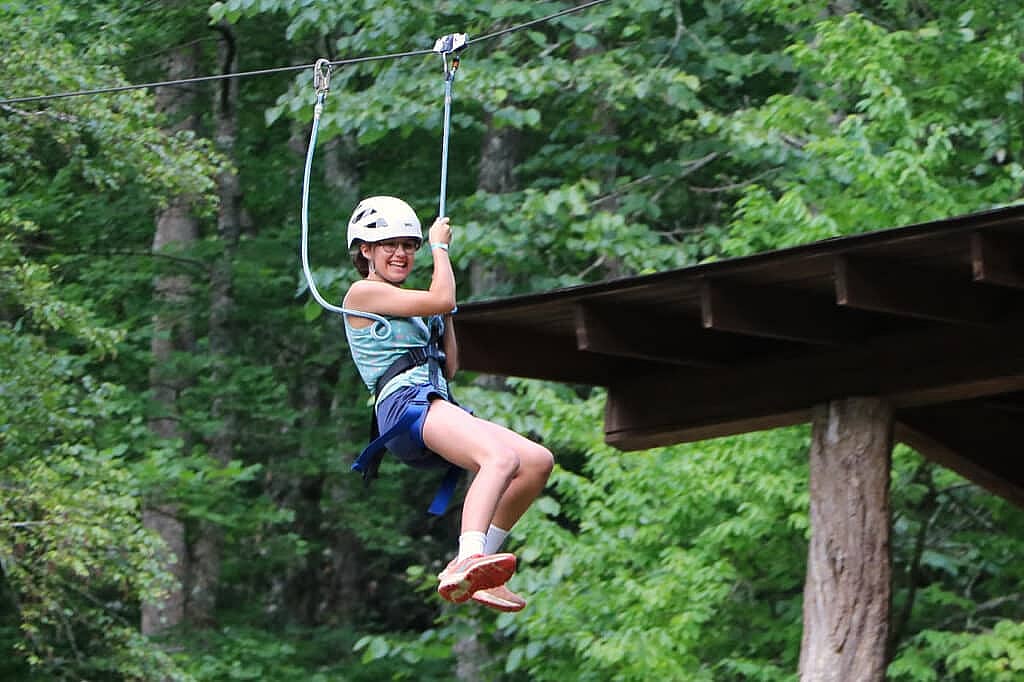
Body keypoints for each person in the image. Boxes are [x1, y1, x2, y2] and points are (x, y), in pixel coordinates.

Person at [342, 196, 554, 612]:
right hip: (405, 406)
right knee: (498, 458)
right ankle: (468, 558)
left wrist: (446, 318)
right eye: (389, 245)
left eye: (409, 245)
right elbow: (439, 296)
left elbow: (451, 366)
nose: (401, 253)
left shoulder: (414, 308)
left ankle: (479, 571)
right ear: (365, 251)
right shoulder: (361, 293)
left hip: (433, 398)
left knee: (535, 460)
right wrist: (441, 249)